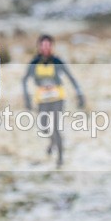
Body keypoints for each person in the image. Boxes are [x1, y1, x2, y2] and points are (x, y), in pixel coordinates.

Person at [22, 34, 84, 168]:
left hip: (57, 98)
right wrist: (26, 98)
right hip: (42, 99)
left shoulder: (57, 61)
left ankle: (60, 159)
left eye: (48, 45)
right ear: (39, 46)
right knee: (44, 127)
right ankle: (52, 142)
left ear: (52, 46)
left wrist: (79, 94)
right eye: (43, 45)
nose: (45, 48)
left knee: (56, 128)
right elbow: (24, 80)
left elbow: (70, 77)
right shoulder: (34, 62)